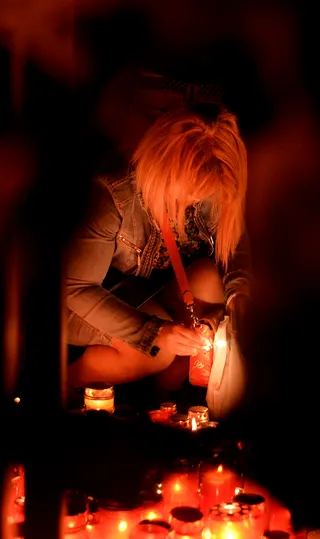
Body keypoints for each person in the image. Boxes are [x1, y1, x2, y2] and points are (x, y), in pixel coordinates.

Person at [64, 101, 250, 392]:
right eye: (192, 191)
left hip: (151, 293)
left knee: (207, 279)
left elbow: (236, 250)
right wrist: (155, 332)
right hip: (89, 301)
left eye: (205, 194)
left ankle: (162, 397)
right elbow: (77, 289)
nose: (196, 201)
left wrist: (239, 296)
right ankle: (69, 383)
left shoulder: (213, 179)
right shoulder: (114, 194)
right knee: (157, 350)